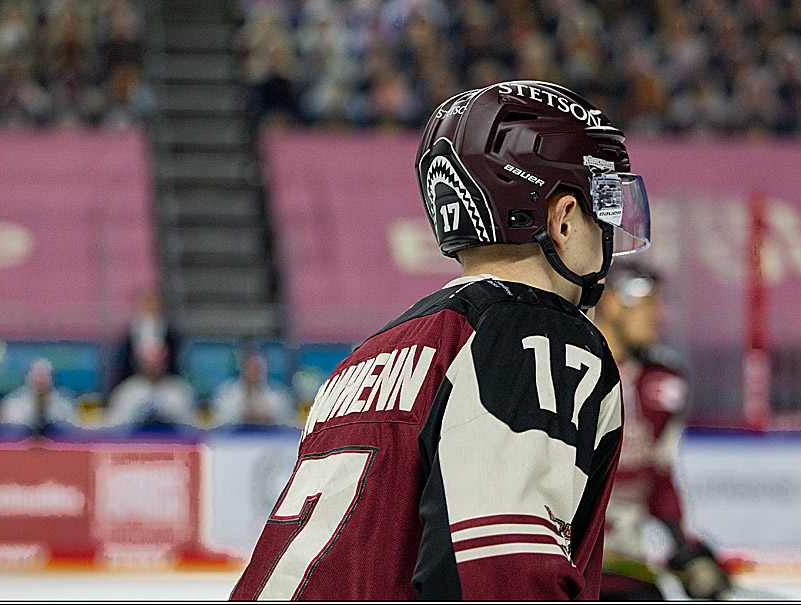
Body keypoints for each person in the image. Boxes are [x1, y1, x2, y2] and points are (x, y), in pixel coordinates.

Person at [231, 80, 651, 599]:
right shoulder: (535, 334)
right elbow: (500, 577)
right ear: (562, 218)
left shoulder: (366, 356)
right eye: (601, 203)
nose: (608, 227)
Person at [593, 260, 732, 600]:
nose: (657, 314)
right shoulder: (567, 371)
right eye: (648, 303)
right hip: (574, 568)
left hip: (630, 567)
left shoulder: (663, 381)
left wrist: (689, 552)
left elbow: (659, 479)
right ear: (611, 303)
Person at [107, 341, 196, 428]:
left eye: (158, 361)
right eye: (149, 362)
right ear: (139, 363)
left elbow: (190, 428)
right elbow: (115, 428)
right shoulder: (126, 392)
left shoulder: (179, 390)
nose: (154, 367)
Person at [112, 288, 180, 394]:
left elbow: (175, 363)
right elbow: (122, 366)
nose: (149, 306)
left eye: (152, 302)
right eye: (145, 302)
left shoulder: (171, 334)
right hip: (134, 384)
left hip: (165, 384)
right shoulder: (128, 336)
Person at [211, 347, 295, 427]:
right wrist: (245, 413)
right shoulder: (227, 392)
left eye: (257, 367)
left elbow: (286, 419)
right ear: (243, 368)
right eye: (250, 367)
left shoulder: (277, 393)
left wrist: (265, 415)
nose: (254, 371)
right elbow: (220, 419)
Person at [0, 358, 77, 433]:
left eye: (44, 376)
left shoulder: (65, 404)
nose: (40, 381)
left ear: (52, 379)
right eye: (37, 376)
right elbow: (8, 433)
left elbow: (71, 431)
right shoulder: (13, 403)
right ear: (27, 378)